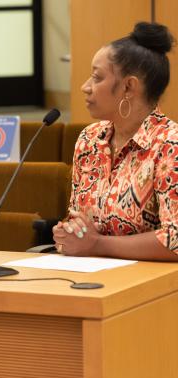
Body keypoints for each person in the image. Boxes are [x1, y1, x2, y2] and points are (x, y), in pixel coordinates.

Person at [54, 22, 178, 261]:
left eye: (97, 77)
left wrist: (98, 245)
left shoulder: (170, 144)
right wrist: (68, 233)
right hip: (91, 277)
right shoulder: (89, 139)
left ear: (129, 87)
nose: (85, 87)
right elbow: (78, 220)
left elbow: (175, 239)